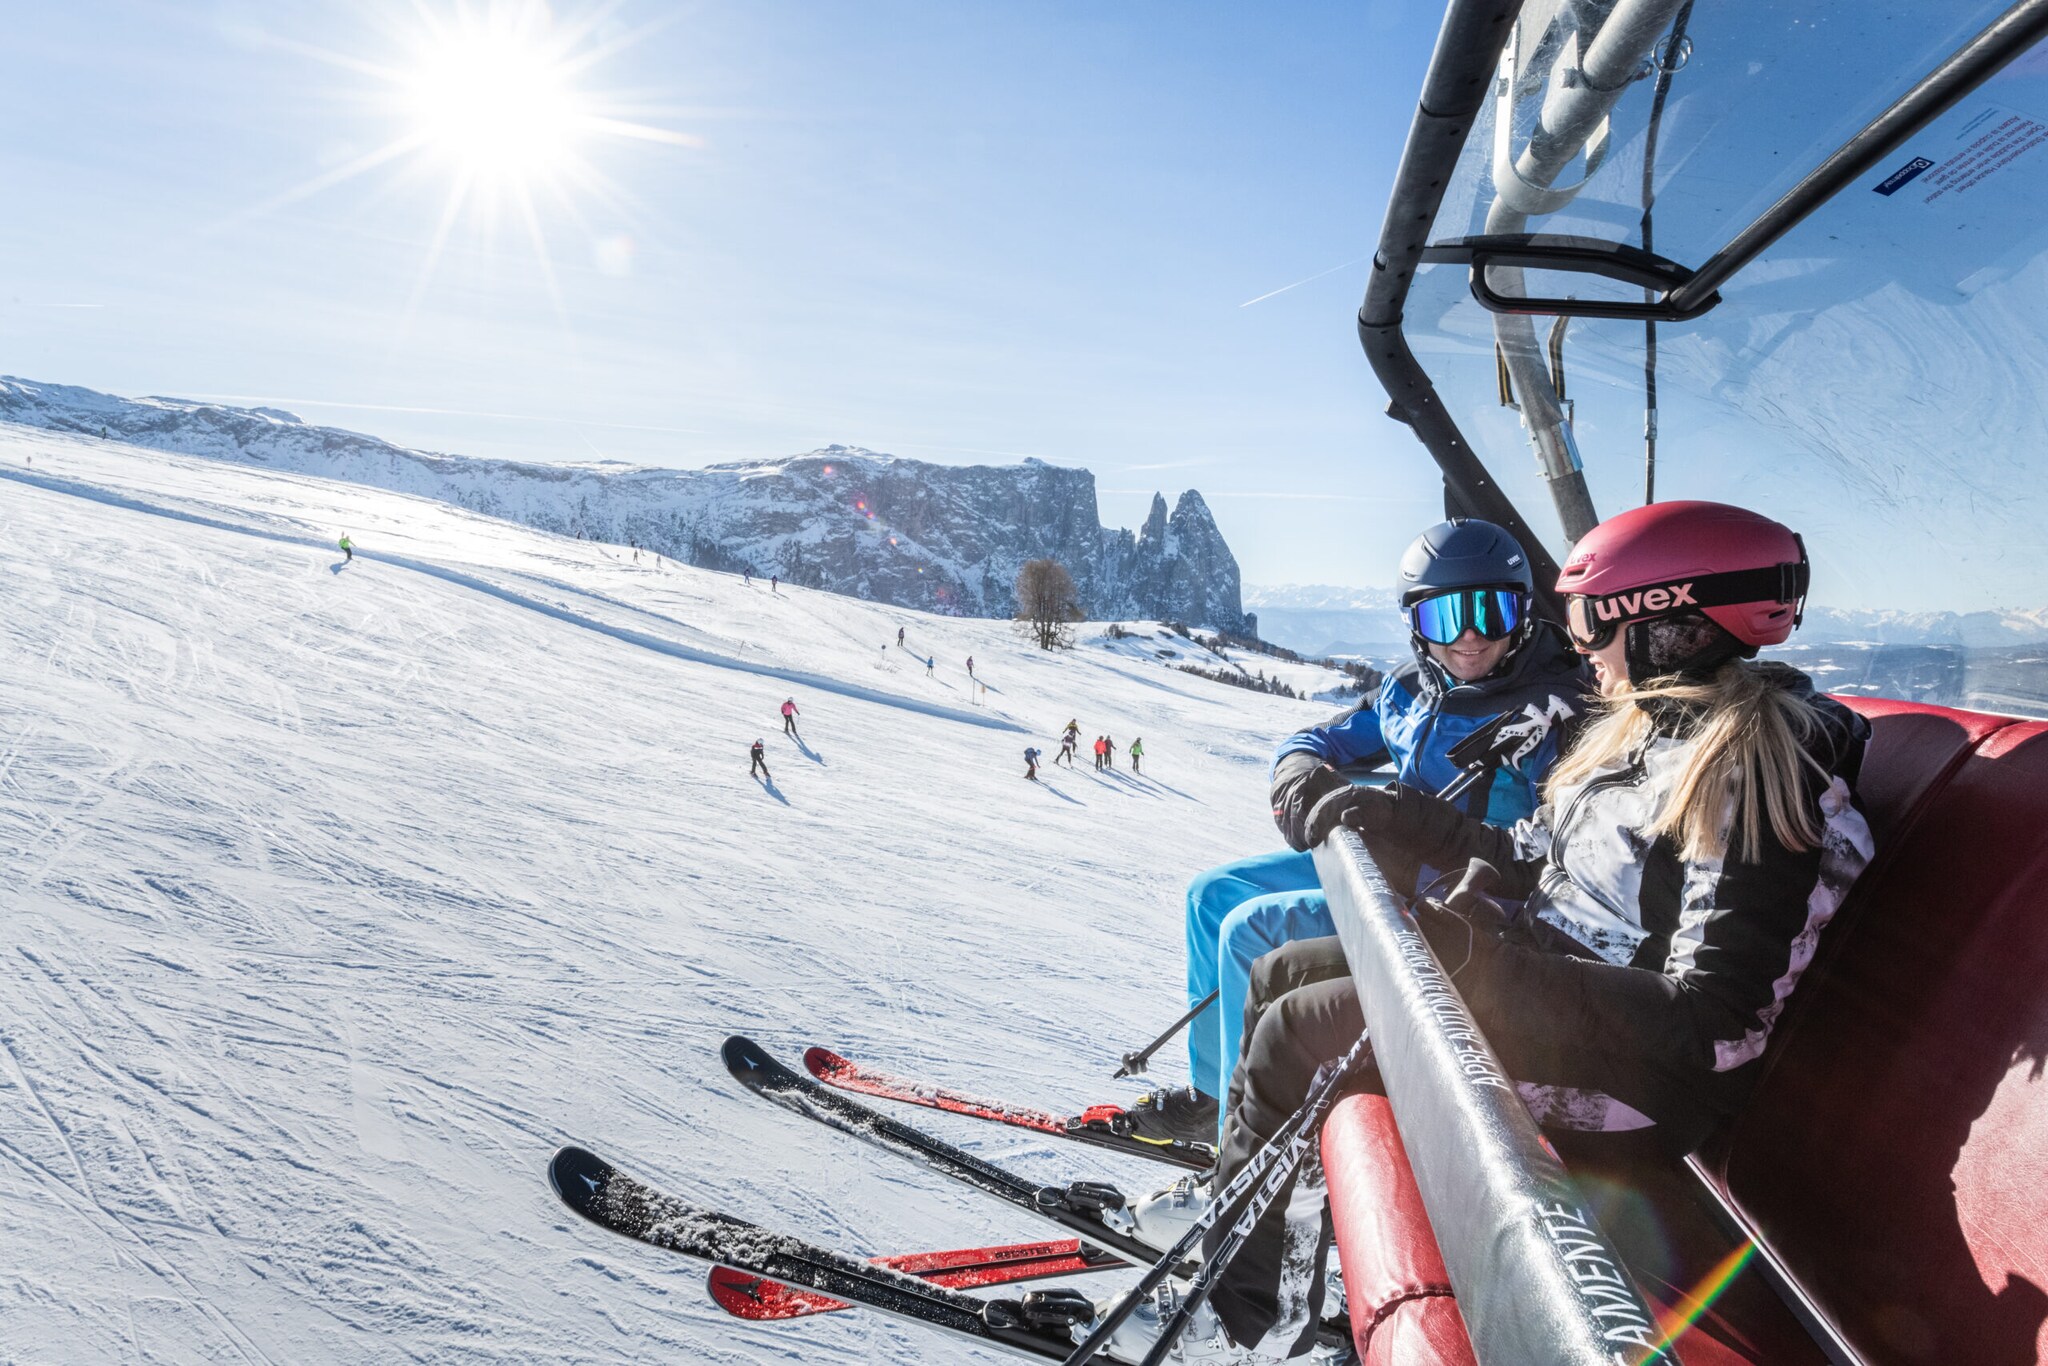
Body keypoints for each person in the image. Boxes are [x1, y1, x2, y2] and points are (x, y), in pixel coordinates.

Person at [1174, 501, 1875, 1360]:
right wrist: (1398, 813)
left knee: (1297, 1030)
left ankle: (1249, 1323)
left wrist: (1493, 970)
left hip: (1638, 1083)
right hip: (1553, 997)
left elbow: (1712, 1024)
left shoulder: (1753, 772)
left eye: (1588, 621)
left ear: (1666, 625)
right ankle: (1245, 1262)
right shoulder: (1647, 731)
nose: (1579, 646)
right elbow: (1526, 855)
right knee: (1281, 970)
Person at [1125, 518, 1591, 1146]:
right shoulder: (1410, 690)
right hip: (1381, 860)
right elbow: (1317, 740)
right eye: (1444, 620)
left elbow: (1549, 846)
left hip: (1458, 895)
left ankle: (1247, 1128)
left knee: (1249, 930)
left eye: (1492, 611)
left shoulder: (1547, 712)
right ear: (1416, 626)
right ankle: (1214, 1096)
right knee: (1211, 896)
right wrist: (1298, 778)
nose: (1472, 638)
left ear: (1524, 613)